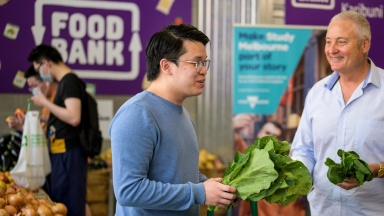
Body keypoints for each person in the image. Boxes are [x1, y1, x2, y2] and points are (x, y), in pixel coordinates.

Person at [109, 24, 236, 215]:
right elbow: (129, 190)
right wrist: (198, 192)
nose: (204, 71)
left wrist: (209, 186)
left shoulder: (183, 114)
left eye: (205, 63)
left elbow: (179, 176)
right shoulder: (137, 114)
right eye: (196, 63)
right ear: (166, 66)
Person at [290, 11, 384, 216]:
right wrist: (296, 174)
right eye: (328, 41)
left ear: (364, 44)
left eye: (341, 42)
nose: (332, 50)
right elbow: (304, 149)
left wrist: (376, 170)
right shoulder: (317, 93)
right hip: (322, 210)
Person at [28, 44, 88, 216]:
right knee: (61, 203)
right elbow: (64, 117)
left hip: (69, 154)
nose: (40, 73)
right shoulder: (65, 82)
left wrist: (44, 102)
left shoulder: (69, 81)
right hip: (63, 155)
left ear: (46, 63)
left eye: (38, 68)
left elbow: (74, 117)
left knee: (70, 206)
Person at [235, 120, 306, 216]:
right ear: (259, 133)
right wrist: (233, 126)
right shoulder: (248, 157)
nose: (270, 138)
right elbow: (235, 142)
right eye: (267, 133)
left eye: (276, 137)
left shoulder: (288, 169)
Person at [6, 65, 58, 133]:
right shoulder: (46, 104)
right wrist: (21, 126)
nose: (34, 90)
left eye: (35, 86)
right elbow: (42, 134)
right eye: (31, 88)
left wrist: (34, 117)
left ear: (46, 81)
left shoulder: (61, 97)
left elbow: (62, 122)